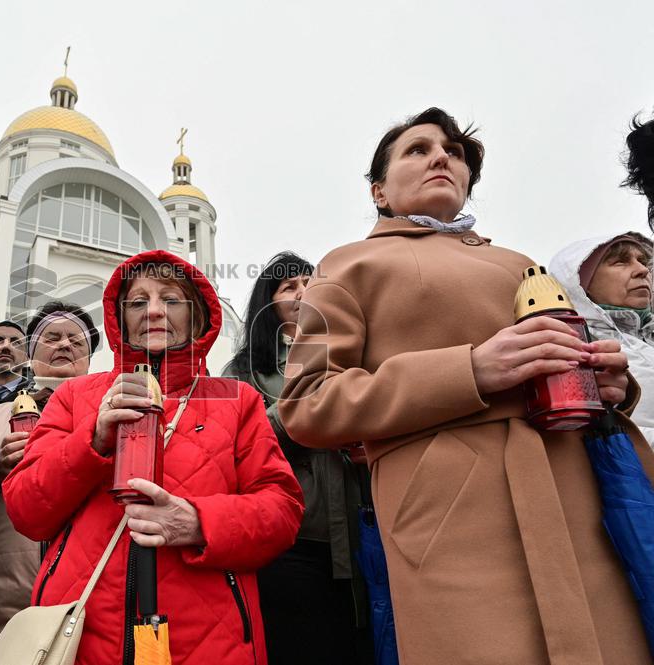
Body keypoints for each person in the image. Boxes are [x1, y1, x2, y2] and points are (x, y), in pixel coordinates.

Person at [279, 107, 651, 664]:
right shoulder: (346, 265)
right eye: (418, 149)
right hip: (448, 514)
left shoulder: (522, 263)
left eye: (453, 153)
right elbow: (306, 403)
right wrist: (469, 370)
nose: (441, 158)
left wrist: (607, 383)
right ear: (379, 191)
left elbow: (564, 367)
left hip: (573, 494)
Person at [3, 250, 304, 665]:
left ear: (197, 316)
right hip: (82, 633)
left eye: (171, 299)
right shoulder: (75, 396)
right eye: (138, 301)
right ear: (120, 318)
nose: (154, 311)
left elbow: (282, 511)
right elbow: (26, 510)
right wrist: (93, 439)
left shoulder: (238, 401)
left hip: (209, 639)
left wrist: (199, 522)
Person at [224, 252, 372, 665]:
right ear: (267, 304)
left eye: (311, 283)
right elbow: (237, 447)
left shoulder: (353, 357)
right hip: (294, 541)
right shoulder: (244, 370)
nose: (304, 292)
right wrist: (306, 408)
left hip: (362, 531)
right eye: (289, 286)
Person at [0, 300, 99, 662]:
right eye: (52, 337)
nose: (64, 344)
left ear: (89, 358)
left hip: (88, 607)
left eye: (76, 340)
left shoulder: (112, 418)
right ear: (30, 355)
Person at [550, 233, 654, 444]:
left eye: (643, 262)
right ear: (580, 283)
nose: (643, 270)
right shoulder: (571, 348)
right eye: (620, 262)